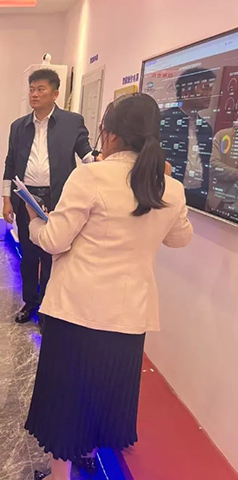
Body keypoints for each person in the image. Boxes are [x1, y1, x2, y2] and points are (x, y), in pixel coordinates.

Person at [23, 93, 193, 480]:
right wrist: (168, 184)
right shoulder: (169, 187)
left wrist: (35, 221)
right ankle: (87, 454)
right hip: (129, 314)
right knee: (104, 393)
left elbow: (54, 240)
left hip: (76, 310)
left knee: (66, 400)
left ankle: (60, 475)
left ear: (110, 134)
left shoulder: (91, 176)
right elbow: (180, 238)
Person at [2, 68, 93, 325]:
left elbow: (86, 153)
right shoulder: (18, 126)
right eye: (32, 89)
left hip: (58, 198)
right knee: (28, 253)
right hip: (26, 197)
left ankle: (48, 307)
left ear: (55, 94)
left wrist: (103, 163)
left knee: (53, 254)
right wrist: (7, 199)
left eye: (40, 89)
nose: (34, 94)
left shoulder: (72, 122)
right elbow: (10, 162)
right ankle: (30, 302)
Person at [160, 67, 215, 211]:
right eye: (205, 88)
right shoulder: (162, 121)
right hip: (167, 192)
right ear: (186, 91)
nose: (209, 94)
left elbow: (205, 164)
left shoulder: (206, 128)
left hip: (197, 194)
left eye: (210, 89)